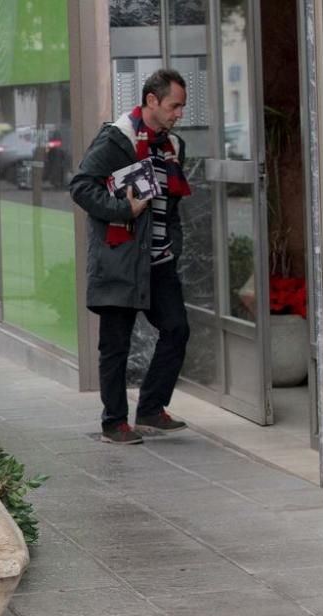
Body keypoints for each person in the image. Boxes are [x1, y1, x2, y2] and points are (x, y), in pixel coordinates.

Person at [70, 68, 192, 445]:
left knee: (177, 330)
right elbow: (80, 186)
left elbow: (170, 205)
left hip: (158, 260)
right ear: (151, 101)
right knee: (116, 344)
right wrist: (124, 209)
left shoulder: (173, 146)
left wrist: (172, 242)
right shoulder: (117, 140)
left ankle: (152, 408)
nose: (179, 114)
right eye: (174, 106)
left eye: (182, 107)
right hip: (120, 259)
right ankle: (114, 422)